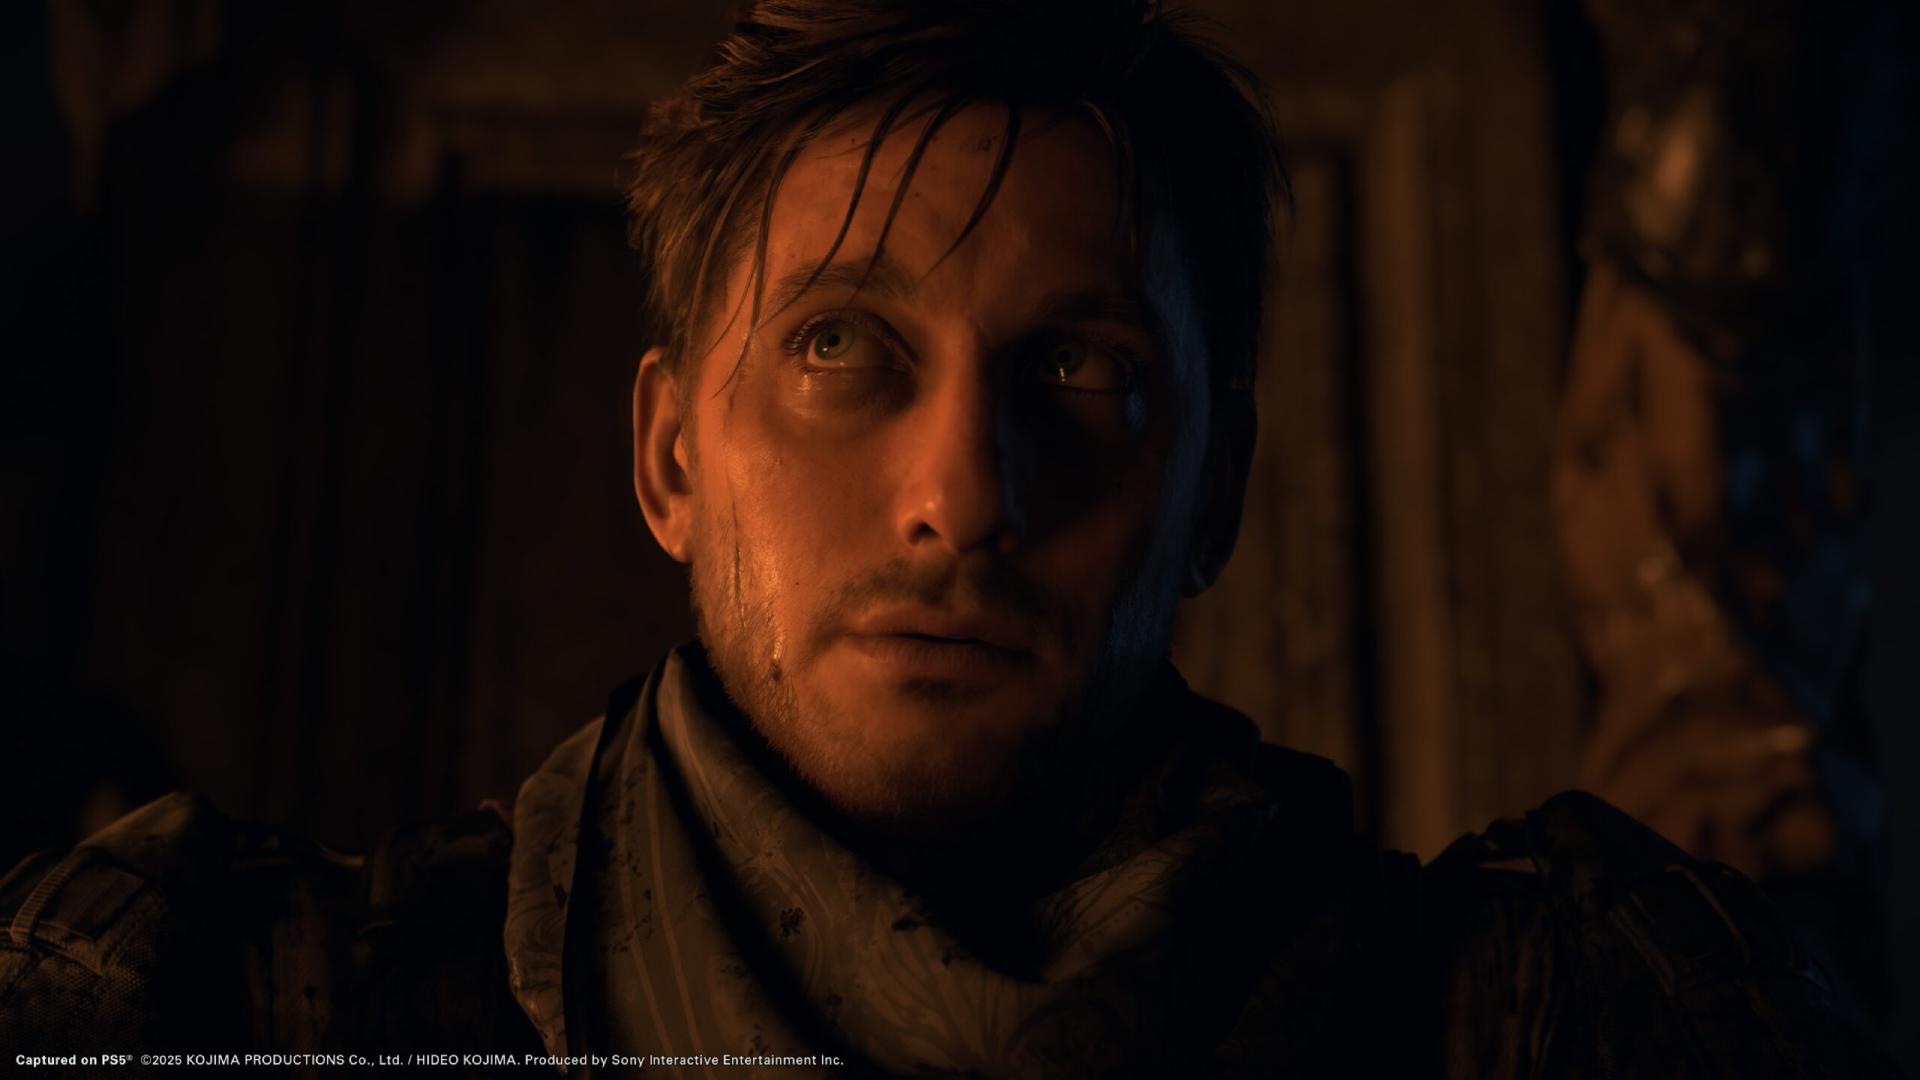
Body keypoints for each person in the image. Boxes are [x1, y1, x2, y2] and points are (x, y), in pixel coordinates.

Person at [0, 2, 1897, 1076]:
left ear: (1216, 485)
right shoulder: (227, 1008)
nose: (959, 496)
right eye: (841, 350)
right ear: (669, 453)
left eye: (1080, 372)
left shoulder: (1579, 1025)